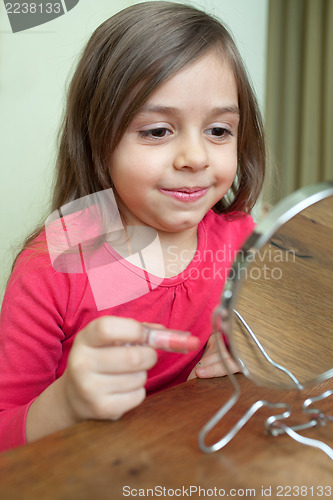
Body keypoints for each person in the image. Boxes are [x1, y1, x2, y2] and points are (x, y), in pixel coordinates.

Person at [0, 1, 265, 452]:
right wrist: (63, 405)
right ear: (98, 138)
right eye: (158, 131)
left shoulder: (239, 235)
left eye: (219, 131)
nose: (196, 158)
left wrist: (250, 347)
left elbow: (278, 337)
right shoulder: (52, 266)